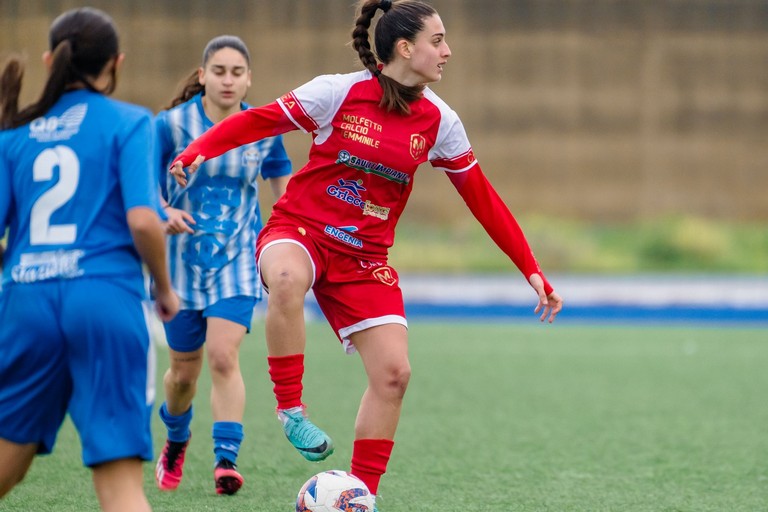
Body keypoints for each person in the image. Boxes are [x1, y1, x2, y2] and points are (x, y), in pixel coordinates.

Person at [169, 0, 563, 507]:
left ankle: (359, 497)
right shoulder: (337, 92)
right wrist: (195, 151)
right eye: (437, 40)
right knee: (287, 280)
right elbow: (258, 122)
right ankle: (290, 409)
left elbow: (482, 198)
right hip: (300, 231)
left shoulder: (441, 122)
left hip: (364, 261)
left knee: (395, 375)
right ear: (405, 48)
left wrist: (530, 268)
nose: (448, 51)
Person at [0, 7, 179, 512]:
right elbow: (145, 221)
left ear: (49, 60)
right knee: (119, 487)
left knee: (7, 460)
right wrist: (164, 289)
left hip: (26, 300)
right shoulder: (129, 122)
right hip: (103, 297)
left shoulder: (14, 135)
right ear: (116, 62)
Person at [153, 35, 292, 496]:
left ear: (249, 78)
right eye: (219, 71)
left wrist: (291, 236)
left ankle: (225, 460)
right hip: (179, 268)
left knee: (223, 356)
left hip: (236, 262)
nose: (228, 80)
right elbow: (140, 186)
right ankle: (176, 437)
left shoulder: (262, 126)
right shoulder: (170, 127)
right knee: (182, 376)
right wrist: (163, 212)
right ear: (202, 76)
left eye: (237, 72)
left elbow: (282, 187)